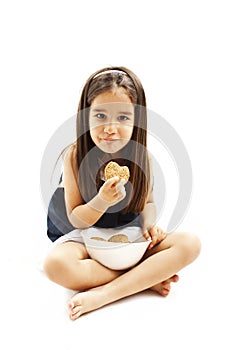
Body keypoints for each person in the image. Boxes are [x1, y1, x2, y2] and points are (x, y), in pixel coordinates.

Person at [43, 66, 201, 320]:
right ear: (86, 117)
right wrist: (101, 201)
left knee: (190, 244)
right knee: (55, 266)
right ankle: (143, 278)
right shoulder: (75, 156)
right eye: (101, 116)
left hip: (128, 236)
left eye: (123, 118)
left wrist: (150, 224)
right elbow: (76, 218)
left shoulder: (141, 158)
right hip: (85, 236)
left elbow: (148, 203)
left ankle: (105, 293)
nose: (110, 128)